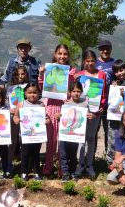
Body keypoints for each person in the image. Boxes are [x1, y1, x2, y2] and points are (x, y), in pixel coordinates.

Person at [37, 44, 78, 176]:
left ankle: (63, 168)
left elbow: (73, 90)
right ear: (55, 54)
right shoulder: (49, 68)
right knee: (51, 140)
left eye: (65, 54)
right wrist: (41, 73)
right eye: (59, 53)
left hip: (64, 107)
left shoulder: (72, 71)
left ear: (68, 55)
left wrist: (73, 81)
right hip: (50, 107)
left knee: (63, 139)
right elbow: (42, 86)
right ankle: (48, 166)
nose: (62, 56)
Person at [74, 49, 107, 180]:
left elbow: (104, 94)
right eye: (87, 61)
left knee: (91, 138)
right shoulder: (79, 74)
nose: (90, 63)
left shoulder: (101, 75)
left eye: (92, 61)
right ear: (83, 62)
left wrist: (100, 108)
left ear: (96, 61)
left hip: (95, 112)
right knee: (81, 139)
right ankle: (80, 165)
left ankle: (90, 165)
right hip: (81, 111)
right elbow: (73, 92)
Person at [13, 83, 50, 181]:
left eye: (35, 92)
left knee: (36, 154)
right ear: (25, 93)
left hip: (37, 136)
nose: (32, 95)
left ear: (39, 94)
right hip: (25, 135)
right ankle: (24, 172)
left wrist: (47, 120)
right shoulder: (21, 104)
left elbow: (45, 117)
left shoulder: (41, 104)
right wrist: (16, 120)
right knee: (25, 154)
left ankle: (37, 172)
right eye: (29, 93)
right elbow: (15, 116)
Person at [104, 59, 125, 162]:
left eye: (121, 70)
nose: (119, 73)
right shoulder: (114, 84)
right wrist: (115, 89)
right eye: (117, 71)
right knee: (113, 140)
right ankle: (111, 163)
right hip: (115, 118)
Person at [56, 81, 87, 182]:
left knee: (73, 154)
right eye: (73, 91)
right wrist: (58, 117)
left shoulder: (84, 104)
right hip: (65, 134)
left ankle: (73, 172)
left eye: (78, 91)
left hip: (76, 135)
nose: (76, 93)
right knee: (64, 153)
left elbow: (86, 117)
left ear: (81, 92)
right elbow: (62, 119)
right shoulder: (65, 104)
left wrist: (90, 116)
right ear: (69, 92)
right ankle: (65, 172)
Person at [95, 40, 116, 162]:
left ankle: (110, 160)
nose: (105, 51)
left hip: (111, 104)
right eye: (102, 48)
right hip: (96, 104)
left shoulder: (114, 63)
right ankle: (91, 159)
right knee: (93, 133)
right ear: (99, 50)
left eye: (107, 48)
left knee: (110, 133)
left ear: (111, 49)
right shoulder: (94, 63)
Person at [6, 64, 29, 169]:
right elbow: (7, 101)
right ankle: (8, 163)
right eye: (18, 74)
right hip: (13, 116)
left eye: (23, 74)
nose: (20, 76)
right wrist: (8, 109)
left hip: (25, 117)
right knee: (12, 141)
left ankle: (25, 164)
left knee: (24, 141)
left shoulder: (28, 87)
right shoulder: (10, 88)